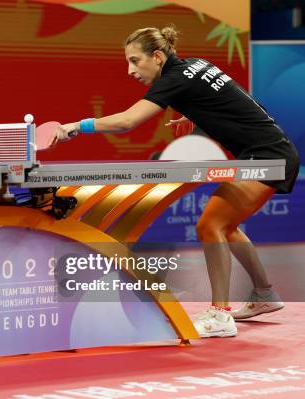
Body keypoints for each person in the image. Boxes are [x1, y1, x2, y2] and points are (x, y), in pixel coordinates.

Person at [54, 25, 300, 338]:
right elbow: (231, 100)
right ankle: (263, 295)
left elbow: (128, 121)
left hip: (265, 157)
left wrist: (76, 126)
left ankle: (220, 316)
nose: (131, 70)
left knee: (209, 226)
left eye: (135, 61)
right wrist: (196, 115)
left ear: (157, 57)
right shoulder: (195, 66)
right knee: (224, 226)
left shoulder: (173, 80)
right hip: (273, 150)